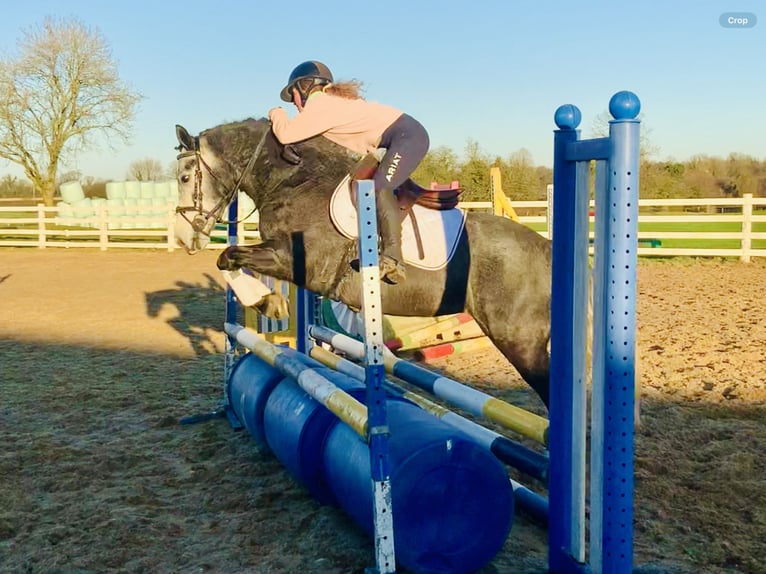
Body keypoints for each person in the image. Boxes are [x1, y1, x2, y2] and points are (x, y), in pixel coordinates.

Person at [268, 60, 430, 284]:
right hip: (393, 139)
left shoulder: (321, 104)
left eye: (293, 94)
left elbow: (285, 135)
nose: (293, 103)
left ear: (304, 87)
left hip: (406, 136)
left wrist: (276, 113)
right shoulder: (327, 106)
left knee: (378, 188)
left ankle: (393, 258)